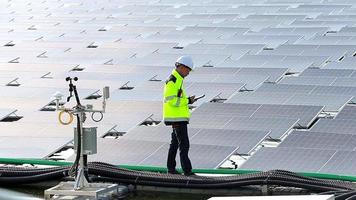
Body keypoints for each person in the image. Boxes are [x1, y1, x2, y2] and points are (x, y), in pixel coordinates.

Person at [163, 55, 196, 176]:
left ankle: (171, 169)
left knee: (175, 144)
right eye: (188, 70)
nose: (188, 73)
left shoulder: (178, 80)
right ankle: (187, 171)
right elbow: (172, 100)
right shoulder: (173, 80)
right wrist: (188, 101)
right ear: (181, 67)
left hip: (177, 118)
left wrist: (187, 100)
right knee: (184, 144)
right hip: (176, 118)